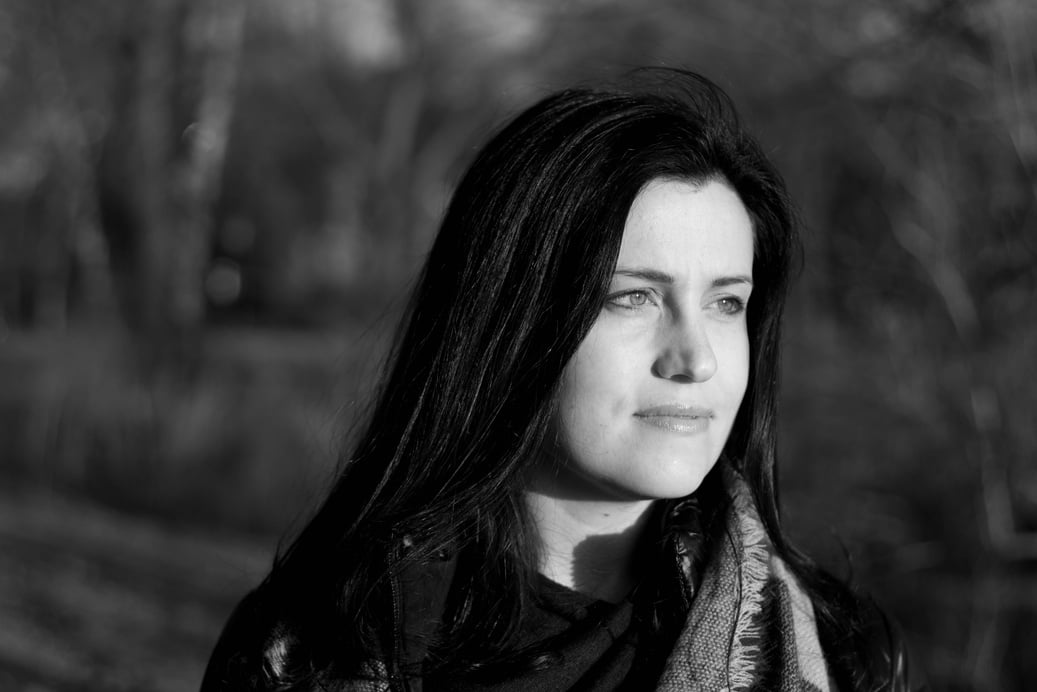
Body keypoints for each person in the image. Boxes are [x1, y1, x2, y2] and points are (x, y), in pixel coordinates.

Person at [202, 70, 922, 691]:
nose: (694, 359)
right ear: (510, 322)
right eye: (631, 297)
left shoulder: (840, 658)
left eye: (725, 302)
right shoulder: (311, 651)